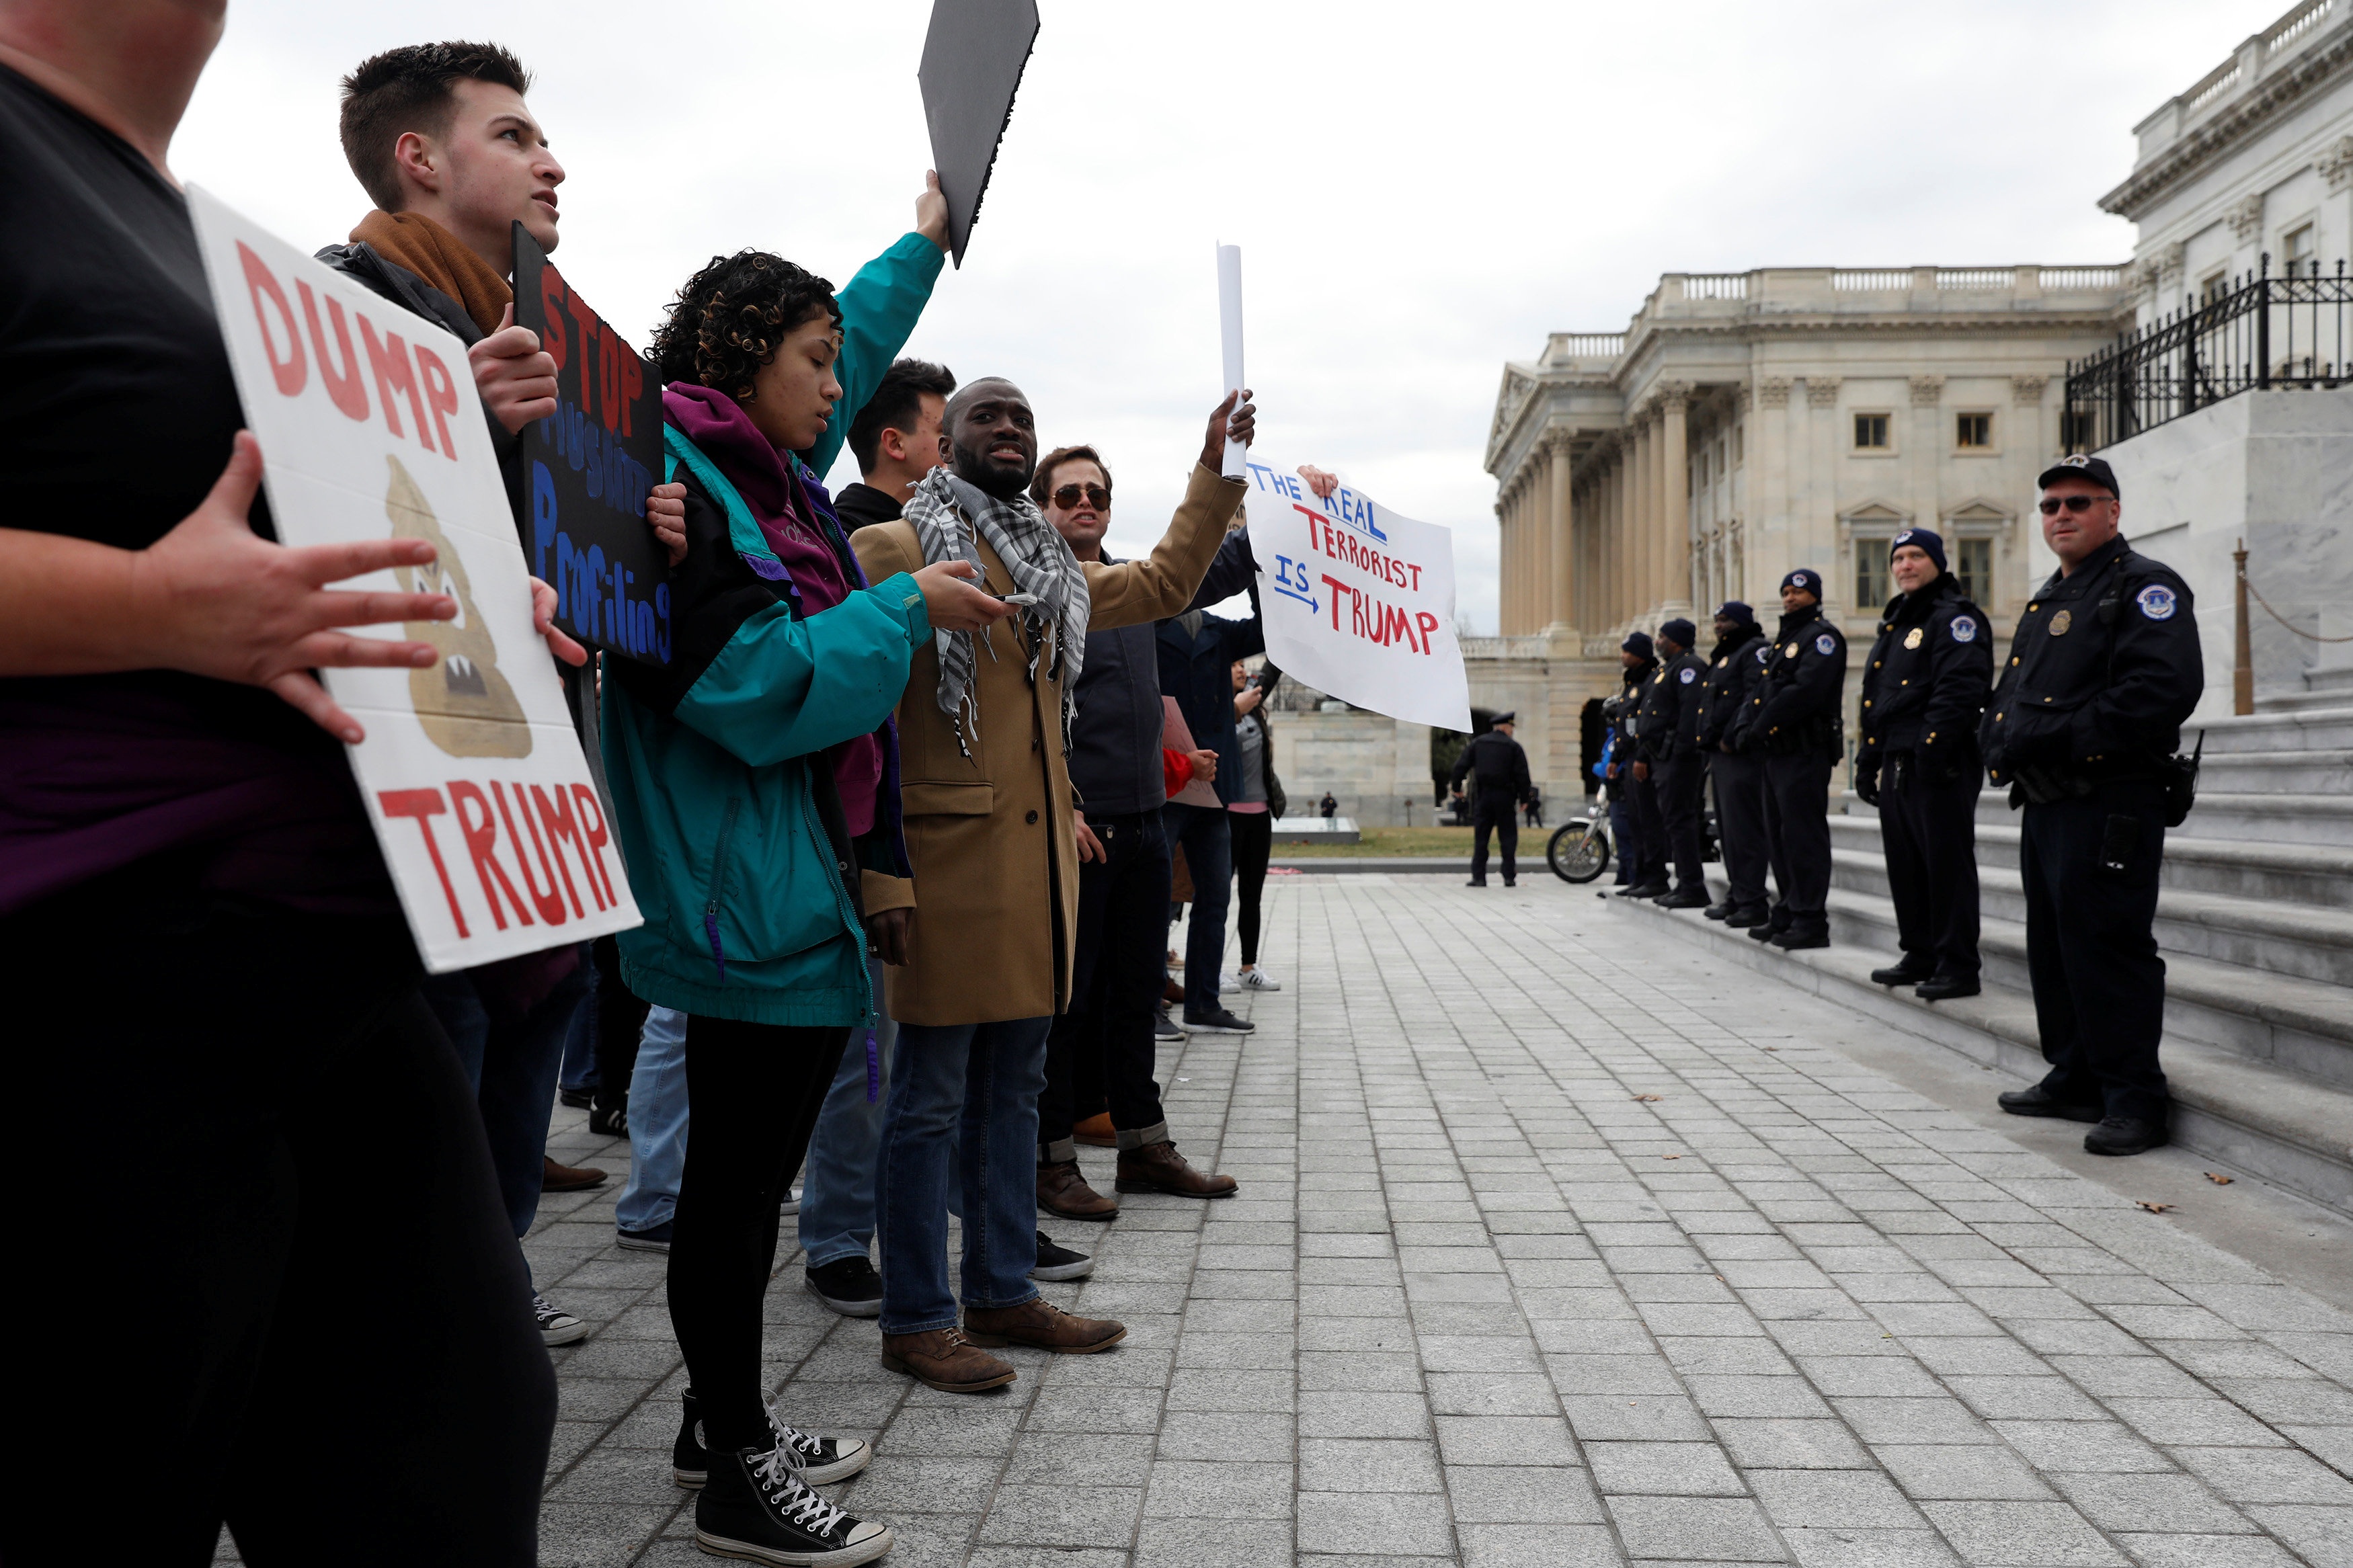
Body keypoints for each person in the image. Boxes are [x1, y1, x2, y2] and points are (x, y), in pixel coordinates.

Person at [0, 5, 579, 1559]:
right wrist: (149, 608)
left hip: (330, 988)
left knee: (454, 1452)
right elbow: (193, 571)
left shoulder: (213, 241)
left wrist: (459, 612)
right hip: (90, 985)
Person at [602, 234, 1007, 1565]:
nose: (845, 389)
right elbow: (748, 682)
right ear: (739, 357)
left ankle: (717, 1415)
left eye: (845, 362)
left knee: (750, 1177)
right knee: (729, 1192)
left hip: (784, 876)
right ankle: (734, 1470)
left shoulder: (755, 468)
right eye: (817, 363)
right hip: (741, 887)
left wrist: (930, 233)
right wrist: (904, 611)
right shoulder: (679, 477)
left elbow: (859, 330)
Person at [323, 35, 675, 1351]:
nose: (552, 159)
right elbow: (307, 525)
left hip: (532, 805)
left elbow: (552, 571)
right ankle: (407, 1357)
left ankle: (478, 1316)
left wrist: (648, 545)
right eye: (515, 134)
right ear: (418, 157)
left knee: (512, 1098)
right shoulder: (332, 315)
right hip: (412, 826)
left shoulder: (527, 345)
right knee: (421, 1131)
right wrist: (445, 417)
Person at [850, 378, 1254, 1395]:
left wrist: (1215, 468)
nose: (1008, 431)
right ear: (943, 444)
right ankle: (915, 1318)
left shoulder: (1054, 568)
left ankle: (999, 1290)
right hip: (941, 879)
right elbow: (859, 731)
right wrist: (879, 871)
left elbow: (1166, 581)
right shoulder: (897, 550)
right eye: (987, 416)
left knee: (1018, 1096)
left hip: (1036, 881)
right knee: (929, 1102)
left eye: (1021, 420)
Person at [1031, 443, 1247, 1223]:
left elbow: (1202, 576)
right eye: (1066, 495)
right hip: (1080, 832)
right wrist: (1065, 808)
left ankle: (1142, 1146)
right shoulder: (1036, 590)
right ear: (1044, 507)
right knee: (1071, 1003)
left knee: (1134, 997)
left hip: (1145, 828)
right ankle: (1049, 1158)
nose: (1083, 503)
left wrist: (1284, 524)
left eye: (1095, 492)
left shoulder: (1127, 589)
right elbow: (1027, 720)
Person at [1986, 454, 2200, 1157]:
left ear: (2111, 510)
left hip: (2109, 798)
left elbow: (2160, 689)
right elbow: (2015, 689)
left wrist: (2052, 739)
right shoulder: (2051, 593)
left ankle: (2133, 1096)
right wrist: (2000, 741)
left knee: (2109, 946)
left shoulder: (2145, 587)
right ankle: (2075, 1071)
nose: (2060, 516)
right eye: (2049, 505)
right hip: (2048, 802)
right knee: (2053, 945)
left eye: (2077, 502)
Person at [797, 357, 955, 1317]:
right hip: (857, 822)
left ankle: (856, 1223)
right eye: (941, 432)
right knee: (863, 1053)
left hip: (890, 819)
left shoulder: (903, 529)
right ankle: (834, 1236)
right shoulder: (860, 533)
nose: (950, 450)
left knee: (884, 1050)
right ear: (893, 441)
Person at [1857, 528, 1992, 1001]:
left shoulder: (1954, 618)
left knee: (1946, 865)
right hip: (1899, 756)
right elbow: (1878, 694)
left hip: (1939, 760)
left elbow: (1959, 689)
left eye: (1916, 556)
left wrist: (1932, 750)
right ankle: (1920, 951)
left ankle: (1958, 963)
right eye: (1898, 558)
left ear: (1937, 562)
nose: (1905, 565)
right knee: (1907, 863)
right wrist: (1869, 755)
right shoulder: (1898, 622)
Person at [1157, 550, 1267, 1038]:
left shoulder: (1220, 630)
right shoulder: (1148, 622)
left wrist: (1261, 571)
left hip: (1214, 785)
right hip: (1166, 781)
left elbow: (1267, 631)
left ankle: (1203, 1000)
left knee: (1215, 895)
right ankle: (1149, 1004)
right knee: (1153, 898)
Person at [1739, 569, 1846, 949]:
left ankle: (1811, 919)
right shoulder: (1787, 640)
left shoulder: (1822, 639)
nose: (1790, 598)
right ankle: (1787, 910)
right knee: (1779, 837)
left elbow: (1804, 692)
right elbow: (1763, 690)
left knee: (1803, 838)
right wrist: (1751, 726)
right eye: (1785, 592)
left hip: (1804, 751)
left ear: (1815, 596)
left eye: (1798, 592)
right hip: (1777, 752)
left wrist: (1761, 725)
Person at [1698, 601, 1771, 926]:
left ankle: (1753, 901)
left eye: (1725, 620)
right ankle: (1737, 894)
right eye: (1716, 620)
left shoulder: (1754, 651)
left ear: (1741, 622)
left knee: (1745, 830)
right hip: (1720, 754)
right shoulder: (1725, 656)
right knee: (1728, 832)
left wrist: (1732, 736)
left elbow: (1754, 696)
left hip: (1740, 754)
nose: (1719, 626)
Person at [1632, 617, 1709, 908]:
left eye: (1661, 636)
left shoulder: (1689, 667)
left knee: (1681, 821)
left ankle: (1692, 887)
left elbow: (1688, 718)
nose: (1657, 642)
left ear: (1675, 640)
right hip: (1662, 758)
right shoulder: (1670, 669)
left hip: (1679, 760)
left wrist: (1673, 752)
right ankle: (1684, 884)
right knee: (1672, 822)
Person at [836, 357, 955, 530]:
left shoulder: (951, 526)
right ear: (895, 444)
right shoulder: (840, 539)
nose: (955, 443)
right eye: (943, 432)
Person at [1227, 657, 1287, 989]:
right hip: (1226, 817)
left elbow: (1270, 671)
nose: (1240, 670)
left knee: (1252, 896)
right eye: (1232, 665)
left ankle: (1248, 967)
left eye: (1241, 665)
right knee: (1217, 897)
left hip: (1260, 816)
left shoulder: (1253, 703)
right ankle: (1209, 970)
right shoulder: (1214, 709)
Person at [1605, 632, 1663, 895]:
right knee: (1635, 823)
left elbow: (1648, 725)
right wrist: (1616, 758)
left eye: (1626, 652)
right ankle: (1638, 877)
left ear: (1639, 654)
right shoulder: (1632, 683)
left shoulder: (1652, 680)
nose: (1622, 656)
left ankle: (1654, 878)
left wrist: (1641, 756)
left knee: (1649, 822)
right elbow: (1625, 726)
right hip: (1629, 760)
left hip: (1644, 760)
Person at [1449, 711, 1533, 886]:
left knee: (1481, 837)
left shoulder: (1479, 743)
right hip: (1505, 797)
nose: (1512, 731)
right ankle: (1509, 876)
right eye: (1511, 728)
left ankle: (1479, 877)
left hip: (1484, 797)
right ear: (1505, 727)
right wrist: (1525, 798)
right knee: (1508, 837)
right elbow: (1522, 775)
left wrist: (1457, 788)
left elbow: (1461, 765)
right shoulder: (1513, 747)